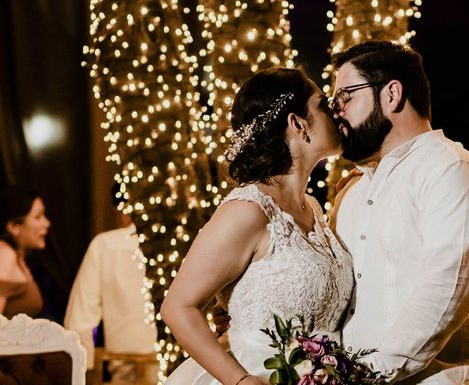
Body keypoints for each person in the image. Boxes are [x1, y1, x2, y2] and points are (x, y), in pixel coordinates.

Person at [160, 67, 353, 385]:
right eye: (322, 103)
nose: (335, 110)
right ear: (297, 124)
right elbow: (178, 306)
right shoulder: (249, 211)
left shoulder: (315, 210)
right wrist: (240, 381)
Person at [330, 40, 469, 384]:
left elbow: (445, 286)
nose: (337, 111)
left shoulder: (450, 169)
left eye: (345, 97)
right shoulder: (352, 190)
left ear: (392, 94)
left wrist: (365, 375)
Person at [64, 183, 158, 383]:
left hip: (125, 370)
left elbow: (80, 318)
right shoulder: (181, 240)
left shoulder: (105, 245)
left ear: (121, 209)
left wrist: (84, 369)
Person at [0, 188, 49, 318]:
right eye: (38, 217)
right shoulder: (5, 255)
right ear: (14, 227)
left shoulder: (15, 257)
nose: (47, 223)